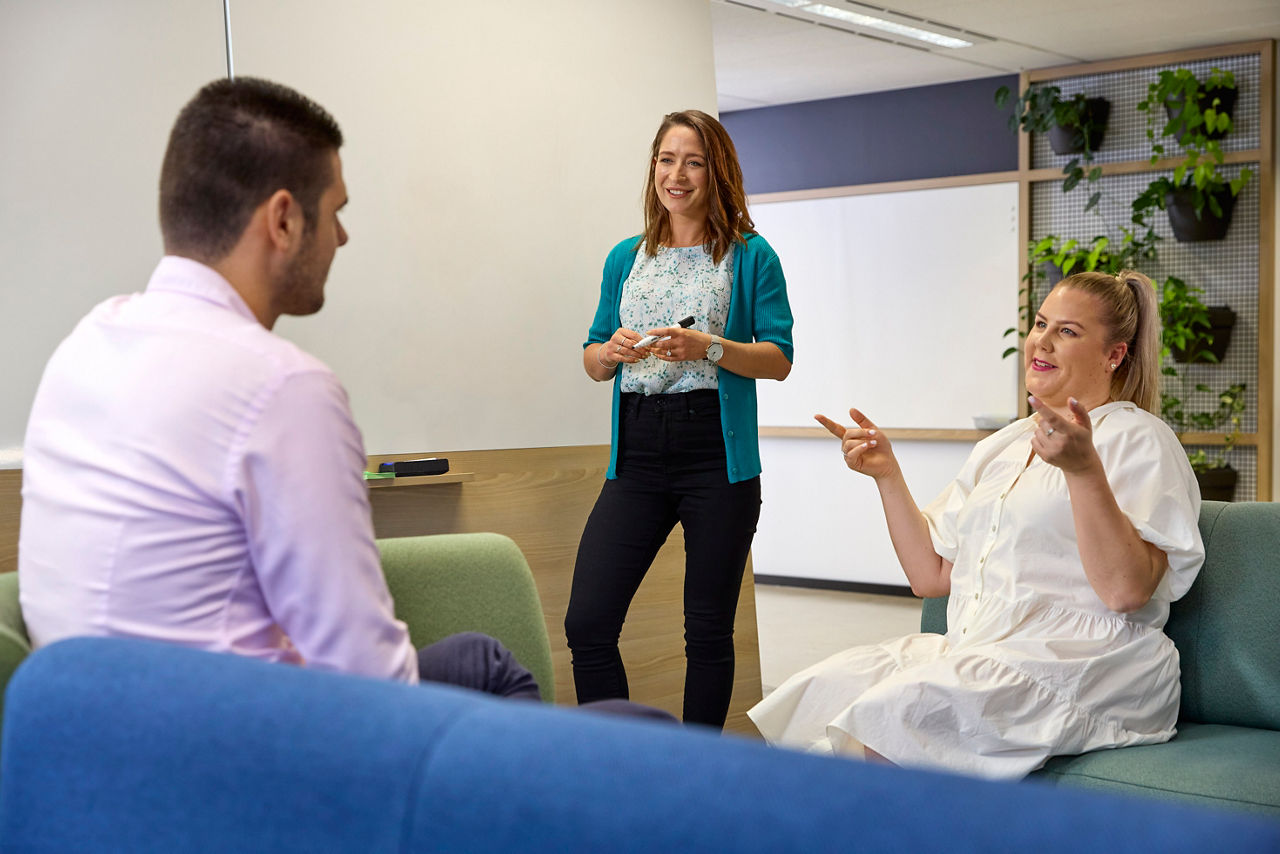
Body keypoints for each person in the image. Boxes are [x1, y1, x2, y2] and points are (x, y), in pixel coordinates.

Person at [18, 77, 538, 700]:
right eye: (336, 212)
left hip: (87, 739)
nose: (342, 238)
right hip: (239, 757)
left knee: (474, 660)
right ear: (285, 220)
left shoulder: (88, 342)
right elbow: (369, 682)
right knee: (565, 701)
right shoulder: (283, 386)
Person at [749, 271, 1205, 779]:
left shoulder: (1140, 438)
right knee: (817, 694)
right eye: (1040, 324)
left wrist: (1083, 471)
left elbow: (1126, 592)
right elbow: (932, 576)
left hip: (1091, 661)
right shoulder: (1004, 445)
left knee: (890, 720)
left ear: (1114, 355)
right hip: (980, 647)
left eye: (1068, 332)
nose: (1043, 341)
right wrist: (888, 475)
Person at [566, 110, 794, 729]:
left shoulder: (751, 255)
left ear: (716, 171)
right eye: (667, 160)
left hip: (714, 455)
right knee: (586, 622)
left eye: (693, 161)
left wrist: (710, 348)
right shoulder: (625, 256)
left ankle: (695, 774)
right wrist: (610, 352)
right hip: (637, 451)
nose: (677, 174)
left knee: (707, 633)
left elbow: (778, 359)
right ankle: (616, 762)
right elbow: (591, 358)